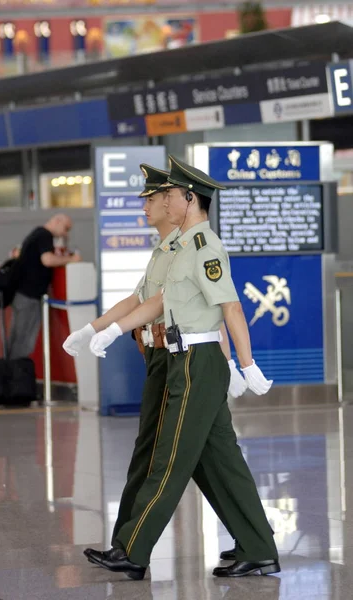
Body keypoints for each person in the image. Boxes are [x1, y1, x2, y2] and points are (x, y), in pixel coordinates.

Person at [84, 155, 280, 580]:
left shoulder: (205, 247)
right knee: (218, 461)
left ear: (190, 199)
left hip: (195, 361)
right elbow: (158, 303)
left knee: (170, 458)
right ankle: (258, 548)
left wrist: (247, 366)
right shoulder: (181, 248)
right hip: (184, 358)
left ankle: (133, 551)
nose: (165, 201)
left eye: (171, 195)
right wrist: (106, 328)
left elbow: (230, 307)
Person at [8, 213, 81, 360]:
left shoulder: (38, 233)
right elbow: (47, 260)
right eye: (66, 228)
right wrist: (71, 259)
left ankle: (13, 374)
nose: (65, 233)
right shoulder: (44, 235)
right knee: (24, 339)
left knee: (19, 337)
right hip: (29, 296)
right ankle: (16, 376)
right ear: (57, 221)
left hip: (23, 294)